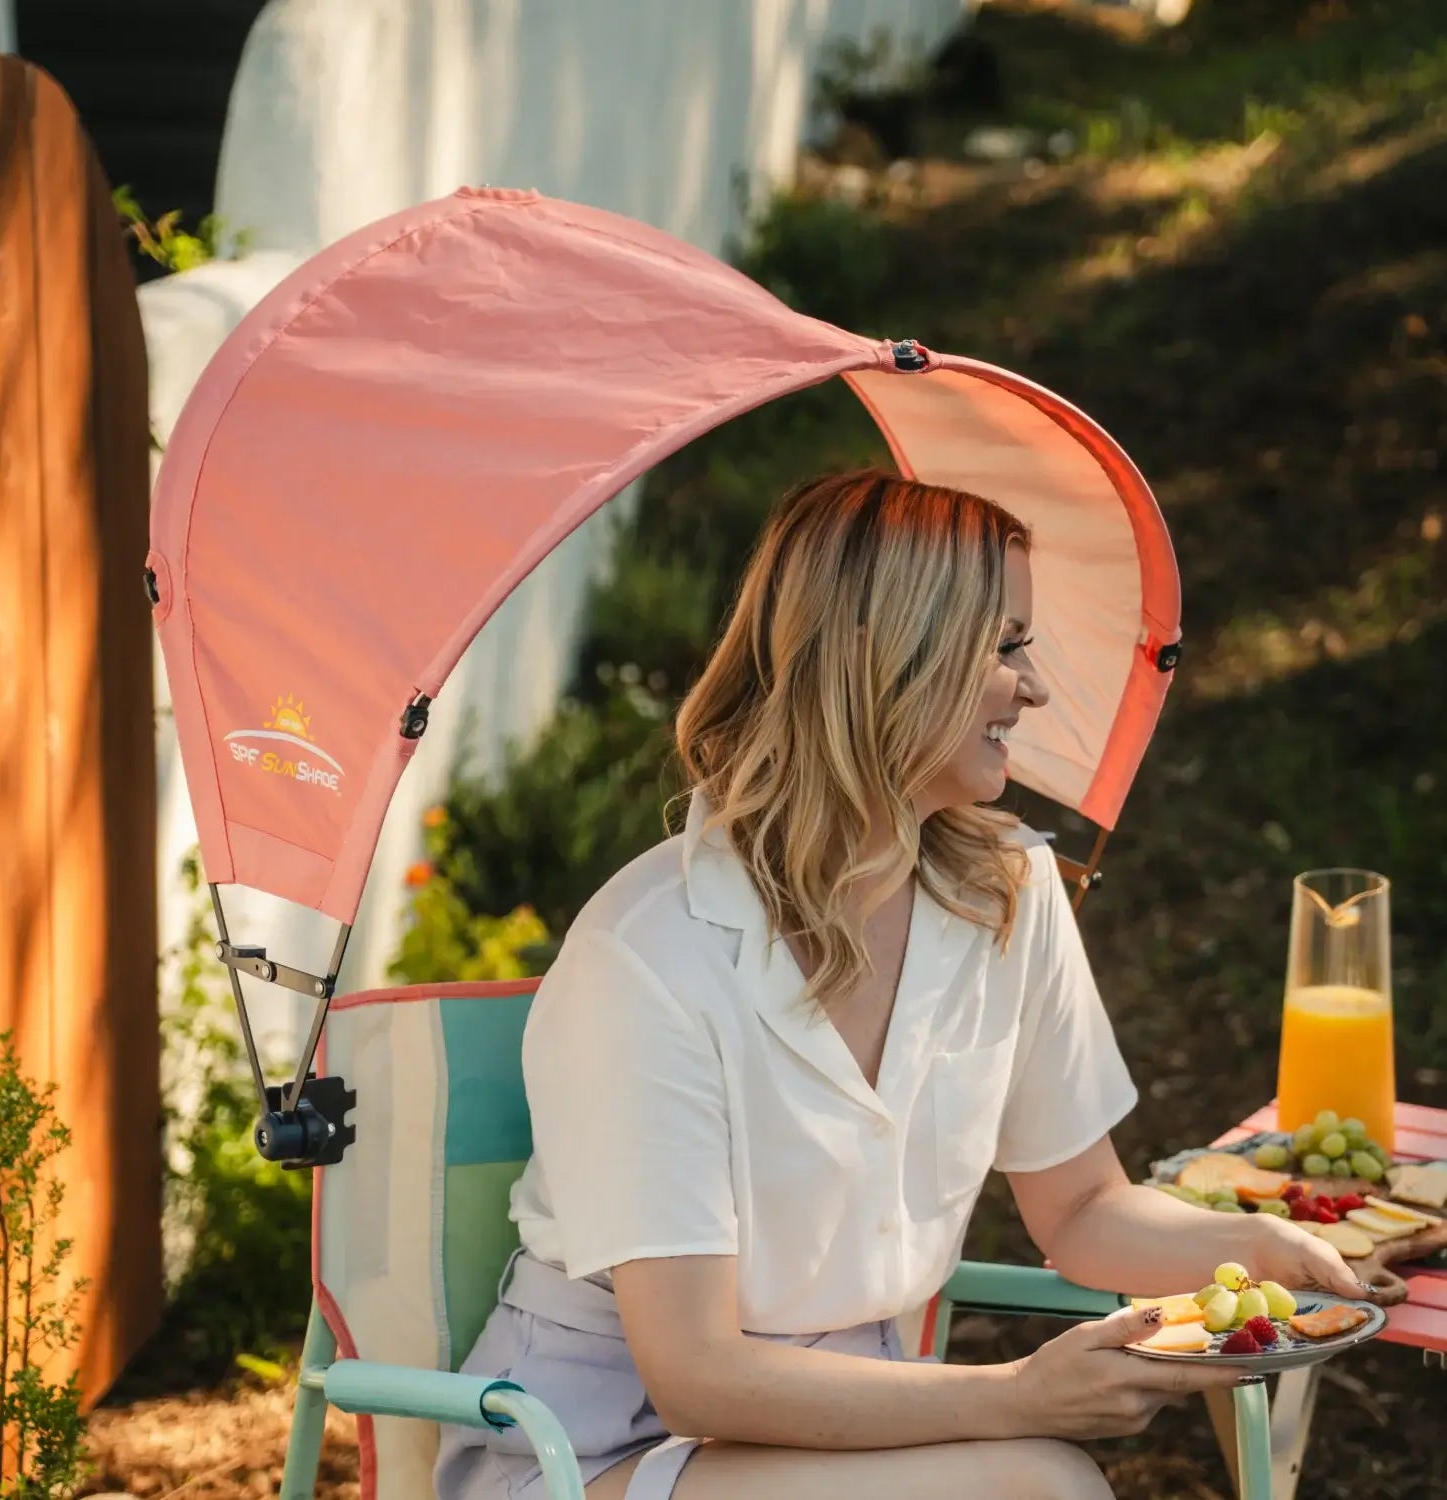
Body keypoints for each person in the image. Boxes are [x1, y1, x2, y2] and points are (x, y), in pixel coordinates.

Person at [434, 470, 1369, 1500]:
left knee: (1040, 1479)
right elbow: (698, 1373)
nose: (1036, 686)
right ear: (894, 659)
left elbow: (1086, 1207)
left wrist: (1260, 1246)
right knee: (1042, 1482)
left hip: (850, 1426)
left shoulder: (1007, 894)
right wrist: (1019, 1392)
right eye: (1007, 645)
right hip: (589, 1452)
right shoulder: (650, 956)